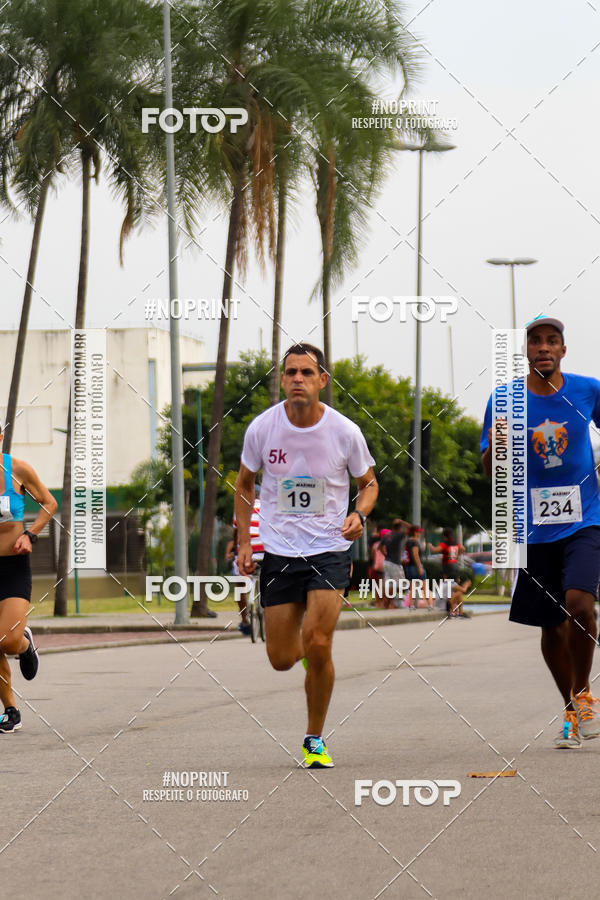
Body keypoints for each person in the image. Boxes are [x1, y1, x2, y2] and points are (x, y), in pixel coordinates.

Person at [235, 342, 378, 768]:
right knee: (281, 659)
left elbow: (369, 484)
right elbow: (244, 484)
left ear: (322, 381)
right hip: (279, 552)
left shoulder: (344, 431)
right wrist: (246, 541)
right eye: (291, 372)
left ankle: (314, 738)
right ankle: (312, 662)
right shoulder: (263, 428)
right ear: (282, 379)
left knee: (318, 642)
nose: (298, 379)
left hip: (329, 548)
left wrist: (359, 513)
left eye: (306, 373)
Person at [481, 315, 600, 749]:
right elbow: (490, 470)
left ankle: (584, 692)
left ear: (563, 350)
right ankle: (570, 709)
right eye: (535, 342)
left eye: (552, 341)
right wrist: (498, 445)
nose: (544, 348)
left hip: (584, 519)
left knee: (579, 604)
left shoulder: (588, 390)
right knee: (550, 625)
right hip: (530, 527)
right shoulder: (504, 398)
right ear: (525, 351)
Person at [0, 427, 58, 733]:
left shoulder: (17, 470)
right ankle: (11, 710)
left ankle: (24, 645)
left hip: (12, 567)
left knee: (7, 640)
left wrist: (30, 534)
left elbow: (49, 503)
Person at [231, 484, 264, 636]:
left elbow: (236, 534)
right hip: (264, 552)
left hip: (246, 553)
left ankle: (244, 619)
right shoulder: (266, 507)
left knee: (239, 582)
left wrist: (233, 551)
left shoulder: (241, 509)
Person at [380, 518, 409, 608]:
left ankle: (388, 604)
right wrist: (402, 521)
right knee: (401, 584)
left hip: (387, 562)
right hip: (395, 563)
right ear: (400, 527)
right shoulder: (399, 535)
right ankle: (393, 603)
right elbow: (412, 528)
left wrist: (384, 554)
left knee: (390, 583)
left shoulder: (387, 535)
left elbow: (380, 547)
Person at [405, 525, 427, 608]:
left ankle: (411, 605)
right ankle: (428, 604)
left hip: (409, 566)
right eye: (419, 532)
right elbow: (415, 554)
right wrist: (419, 567)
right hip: (415, 566)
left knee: (412, 588)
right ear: (415, 532)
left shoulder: (407, 541)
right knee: (424, 586)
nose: (420, 533)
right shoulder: (414, 542)